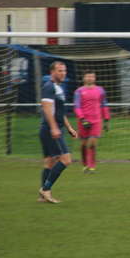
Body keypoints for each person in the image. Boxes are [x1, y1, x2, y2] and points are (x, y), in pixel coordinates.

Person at [37, 61, 78, 204]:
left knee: (49, 162)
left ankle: (43, 196)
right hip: (50, 129)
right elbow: (47, 108)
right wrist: (54, 127)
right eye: (60, 71)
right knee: (66, 159)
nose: (63, 73)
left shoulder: (58, 87)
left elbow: (59, 112)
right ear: (52, 72)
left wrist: (69, 127)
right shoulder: (49, 87)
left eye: (64, 71)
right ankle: (46, 189)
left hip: (50, 129)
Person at [74, 72, 111, 173]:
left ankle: (92, 166)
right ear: (84, 78)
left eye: (92, 76)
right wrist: (82, 119)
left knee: (92, 144)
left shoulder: (100, 90)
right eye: (88, 76)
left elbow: (104, 105)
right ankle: (85, 165)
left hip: (96, 120)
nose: (90, 78)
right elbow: (77, 106)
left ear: (95, 78)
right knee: (84, 145)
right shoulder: (79, 91)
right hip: (83, 121)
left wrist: (106, 120)